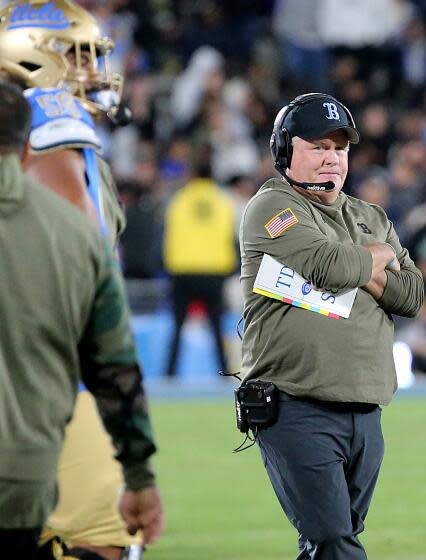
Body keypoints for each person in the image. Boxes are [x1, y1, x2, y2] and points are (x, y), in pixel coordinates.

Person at [239, 92, 423, 559]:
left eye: (339, 148)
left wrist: (361, 269)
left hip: (366, 408)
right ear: (285, 151)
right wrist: (380, 258)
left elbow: (413, 296)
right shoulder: (273, 208)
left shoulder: (369, 215)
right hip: (296, 404)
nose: (331, 159)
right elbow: (329, 266)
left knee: (331, 542)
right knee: (335, 543)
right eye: (317, 147)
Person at [0, 2, 143, 558]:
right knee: (100, 543)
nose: (96, 70)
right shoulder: (51, 120)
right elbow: (70, 256)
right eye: (79, 55)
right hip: (56, 377)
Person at [163, 158, 237, 379]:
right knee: (216, 327)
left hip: (183, 270)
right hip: (214, 271)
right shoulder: (223, 200)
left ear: (193, 175)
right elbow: (229, 235)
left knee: (177, 327)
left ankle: (169, 375)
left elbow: (169, 235)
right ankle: (224, 373)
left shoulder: (180, 199)